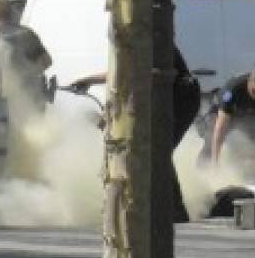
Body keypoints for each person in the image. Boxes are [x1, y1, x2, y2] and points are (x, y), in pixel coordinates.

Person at [71, 46, 201, 222]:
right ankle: (165, 209)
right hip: (169, 94)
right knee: (154, 152)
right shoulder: (135, 34)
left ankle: (174, 211)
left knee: (157, 152)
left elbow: (138, 76)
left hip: (180, 95)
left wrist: (112, 111)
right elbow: (125, 73)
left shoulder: (149, 33)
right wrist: (89, 80)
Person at [0, 0, 52, 104]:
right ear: (10, 13)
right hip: (26, 98)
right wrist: (27, 74)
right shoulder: (26, 34)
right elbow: (46, 62)